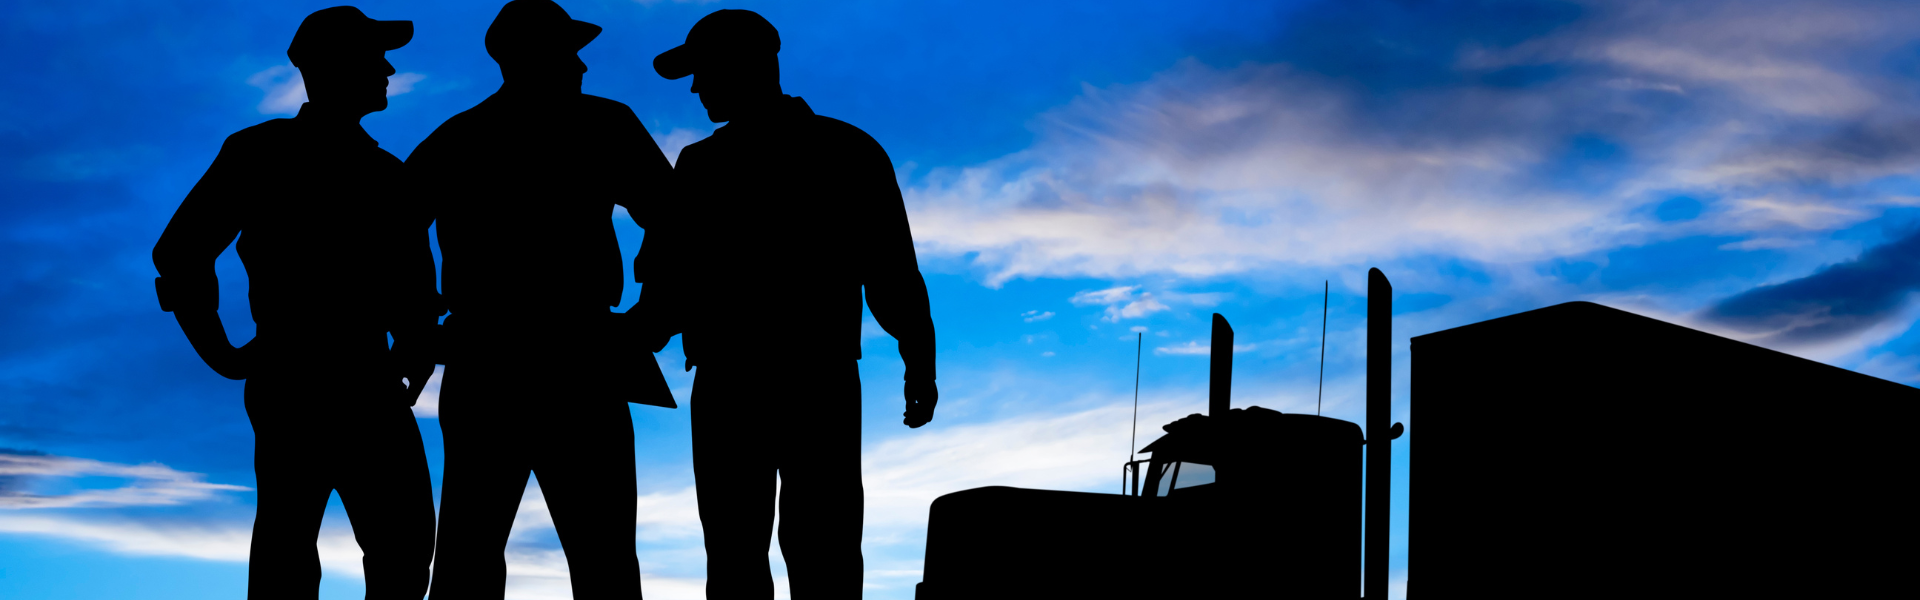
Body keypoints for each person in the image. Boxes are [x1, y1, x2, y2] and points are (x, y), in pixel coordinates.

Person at [642, 9, 938, 599]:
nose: (696, 87)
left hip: (776, 382)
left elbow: (890, 270)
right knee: (757, 551)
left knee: (778, 550)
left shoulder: (718, 164)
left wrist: (920, 362)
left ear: (746, 66)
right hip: (790, 381)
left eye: (704, 72)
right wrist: (918, 362)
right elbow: (669, 281)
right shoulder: (841, 150)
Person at [151, 6, 437, 599]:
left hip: (364, 379)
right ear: (334, 67)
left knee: (403, 542)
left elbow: (410, 284)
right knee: (295, 548)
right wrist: (221, 351)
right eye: (373, 57)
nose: (388, 69)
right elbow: (180, 254)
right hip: (301, 378)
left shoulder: (388, 173)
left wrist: (415, 345)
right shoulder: (260, 152)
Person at [405, 1, 674, 597]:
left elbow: (390, 230)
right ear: (535, 57)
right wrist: (654, 316)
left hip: (510, 357)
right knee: (589, 554)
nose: (580, 64)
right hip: (562, 357)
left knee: (476, 554)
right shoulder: (602, 124)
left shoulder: (461, 136)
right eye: (567, 50)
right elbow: (676, 222)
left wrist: (422, 326)